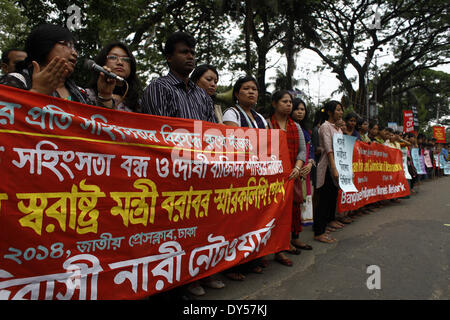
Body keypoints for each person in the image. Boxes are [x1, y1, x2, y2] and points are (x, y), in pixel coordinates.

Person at [184, 64, 226, 296]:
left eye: (216, 81)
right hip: (187, 172)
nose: (213, 84)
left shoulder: (214, 106)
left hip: (208, 173)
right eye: (209, 79)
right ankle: (190, 278)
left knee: (209, 227)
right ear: (195, 80)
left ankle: (207, 271)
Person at [0, 24, 94, 104]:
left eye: (74, 48)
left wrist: (105, 95)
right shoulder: (16, 80)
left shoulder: (81, 93)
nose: (75, 53)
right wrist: (37, 92)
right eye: (67, 45)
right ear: (44, 45)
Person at [267, 91, 308, 267]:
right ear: (275, 104)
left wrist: (297, 167)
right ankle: (275, 248)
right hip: (273, 177)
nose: (289, 105)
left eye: (290, 102)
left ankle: (284, 246)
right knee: (274, 213)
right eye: (285, 101)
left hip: (292, 175)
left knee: (291, 211)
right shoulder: (267, 124)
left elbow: (302, 150)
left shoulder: (295, 126)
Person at [140, 31, 216, 122]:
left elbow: (211, 130)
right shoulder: (159, 87)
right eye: (184, 52)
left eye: (192, 53)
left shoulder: (202, 95)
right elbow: (159, 129)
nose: (190, 56)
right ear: (169, 57)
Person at [313, 100, 345, 243]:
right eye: (337, 110)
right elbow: (328, 149)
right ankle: (319, 231)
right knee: (324, 199)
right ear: (329, 112)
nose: (341, 112)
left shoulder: (338, 129)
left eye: (341, 110)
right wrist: (333, 168)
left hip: (337, 166)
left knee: (332, 194)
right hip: (327, 167)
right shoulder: (325, 127)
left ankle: (327, 223)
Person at [86, 42, 142, 112]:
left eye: (126, 59)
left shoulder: (139, 104)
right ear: (102, 62)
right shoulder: (86, 95)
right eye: (113, 57)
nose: (120, 62)